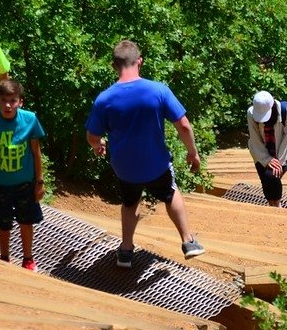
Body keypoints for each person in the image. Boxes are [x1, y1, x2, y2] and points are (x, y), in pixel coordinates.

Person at [85, 40, 205, 269]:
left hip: (125, 168)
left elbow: (92, 135)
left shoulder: (104, 99)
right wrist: (193, 153)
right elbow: (184, 125)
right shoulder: (158, 90)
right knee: (170, 193)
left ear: (114, 66)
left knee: (130, 203)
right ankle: (189, 241)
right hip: (156, 164)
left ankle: (126, 251)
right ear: (139, 61)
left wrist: (97, 145)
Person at [0, 79, 46, 272]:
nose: (8, 105)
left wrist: (39, 182)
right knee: (2, 221)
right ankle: (4, 256)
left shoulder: (30, 120)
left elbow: (36, 152)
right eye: (3, 100)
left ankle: (28, 258)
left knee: (26, 221)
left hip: (25, 183)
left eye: (12, 100)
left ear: (20, 102)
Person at [247, 90, 287, 207]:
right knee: (266, 180)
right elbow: (255, 139)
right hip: (260, 151)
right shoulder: (251, 113)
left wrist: (277, 162)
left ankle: (277, 206)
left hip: (284, 151)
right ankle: (272, 206)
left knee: (272, 176)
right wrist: (266, 160)